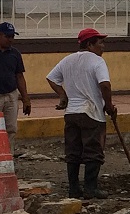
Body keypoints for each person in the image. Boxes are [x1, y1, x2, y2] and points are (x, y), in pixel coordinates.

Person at [47, 27, 116, 200]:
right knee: (93, 150)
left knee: (73, 151)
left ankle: (74, 189)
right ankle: (90, 188)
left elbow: (51, 78)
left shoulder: (67, 60)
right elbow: (105, 85)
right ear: (90, 44)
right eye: (100, 43)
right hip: (91, 113)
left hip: (72, 113)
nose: (103, 46)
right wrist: (109, 106)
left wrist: (63, 95)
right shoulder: (97, 61)